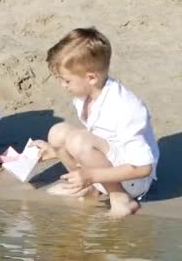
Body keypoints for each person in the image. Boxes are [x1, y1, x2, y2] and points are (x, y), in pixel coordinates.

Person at [33, 27, 159, 217]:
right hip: (106, 167)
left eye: (67, 81)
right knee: (57, 133)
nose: (63, 85)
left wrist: (92, 175)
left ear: (91, 78)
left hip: (132, 180)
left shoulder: (125, 108)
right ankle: (87, 187)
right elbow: (98, 137)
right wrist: (54, 151)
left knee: (78, 141)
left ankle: (121, 199)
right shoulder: (85, 95)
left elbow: (143, 167)